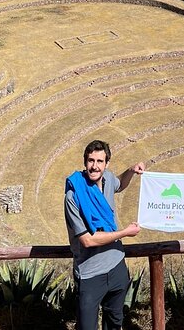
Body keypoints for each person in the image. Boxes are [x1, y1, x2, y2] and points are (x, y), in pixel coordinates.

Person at [64, 139, 145, 330]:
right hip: (90, 273)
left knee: (115, 323)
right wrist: (124, 232)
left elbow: (120, 184)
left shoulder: (108, 179)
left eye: (100, 161)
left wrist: (131, 171)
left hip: (116, 267)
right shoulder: (73, 196)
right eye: (91, 161)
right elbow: (88, 240)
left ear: (106, 163)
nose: (95, 166)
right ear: (85, 162)